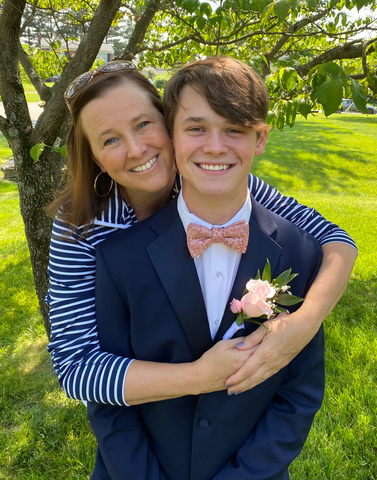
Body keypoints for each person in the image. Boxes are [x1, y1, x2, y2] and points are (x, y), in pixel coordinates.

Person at [46, 60, 357, 408]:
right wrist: (200, 376)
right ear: (97, 159)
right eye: (111, 139)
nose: (136, 150)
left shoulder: (207, 177)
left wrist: (306, 320)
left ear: (168, 124)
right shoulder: (81, 225)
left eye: (144, 124)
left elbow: (335, 240)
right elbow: (75, 366)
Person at [89, 56, 331, 479]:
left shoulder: (302, 254)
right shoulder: (117, 259)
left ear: (260, 139)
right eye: (196, 128)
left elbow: (298, 395)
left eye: (234, 129)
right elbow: (109, 403)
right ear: (173, 136)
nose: (215, 147)